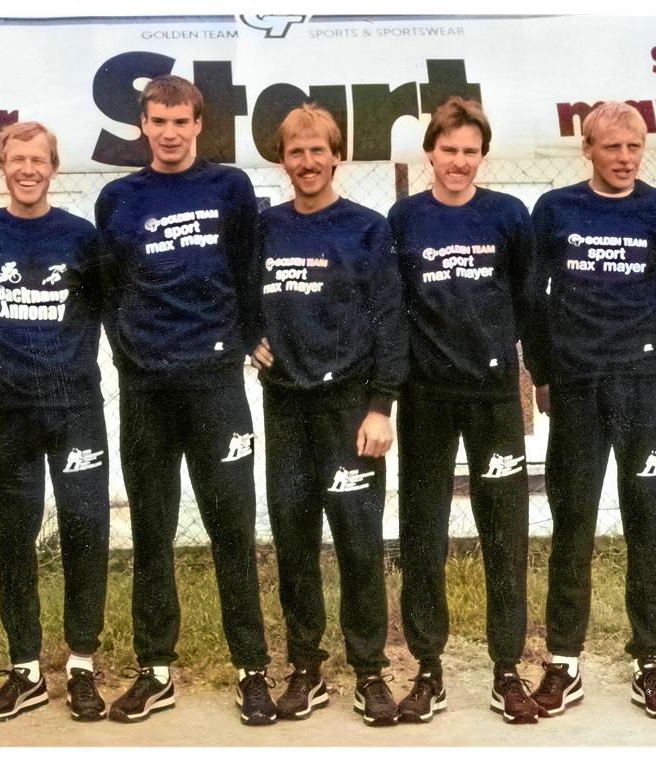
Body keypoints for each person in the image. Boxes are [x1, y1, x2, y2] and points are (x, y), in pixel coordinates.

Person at [95, 74, 275, 725]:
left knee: (233, 529)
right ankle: (155, 670)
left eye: (181, 122)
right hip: (147, 389)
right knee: (152, 531)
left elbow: (248, 269)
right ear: (143, 126)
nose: (169, 133)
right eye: (158, 121)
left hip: (216, 385)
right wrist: (129, 353)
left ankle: (252, 669)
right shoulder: (119, 198)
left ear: (199, 125)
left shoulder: (230, 187)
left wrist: (247, 337)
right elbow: (109, 290)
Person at [521, 101, 656, 719]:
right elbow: (533, 297)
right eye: (612, 146)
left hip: (644, 385)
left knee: (649, 522)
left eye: (634, 147)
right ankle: (564, 663)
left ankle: (650, 663)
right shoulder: (554, 209)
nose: (624, 158)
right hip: (576, 386)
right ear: (588, 149)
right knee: (573, 523)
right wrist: (544, 373)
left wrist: (626, 319)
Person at [250, 104, 406, 727]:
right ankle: (306, 668)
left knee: (359, 544)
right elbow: (236, 294)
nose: (308, 162)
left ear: (337, 156)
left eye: (318, 151)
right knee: (293, 541)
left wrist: (380, 407)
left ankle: (369, 671)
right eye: (297, 152)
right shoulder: (265, 228)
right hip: (286, 405)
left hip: (349, 410)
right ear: (282, 160)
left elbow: (389, 320)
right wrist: (248, 337)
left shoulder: (366, 228)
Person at [388, 97, 538, 725]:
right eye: (448, 150)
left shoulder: (508, 215)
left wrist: (529, 377)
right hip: (426, 397)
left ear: (483, 156)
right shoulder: (405, 218)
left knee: (505, 533)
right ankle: (428, 669)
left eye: (469, 152)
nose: (458, 161)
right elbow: (392, 308)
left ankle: (507, 670)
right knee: (423, 534)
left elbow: (527, 303)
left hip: (493, 397)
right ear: (430, 153)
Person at [0, 121, 110, 723]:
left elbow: (101, 308)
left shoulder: (80, 236)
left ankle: (82, 665)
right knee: (13, 537)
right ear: (2, 165)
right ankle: (25, 669)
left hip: (75, 409)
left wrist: (67, 368)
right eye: (16, 159)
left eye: (37, 159)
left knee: (84, 529)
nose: (27, 169)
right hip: (8, 411)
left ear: (53, 167)